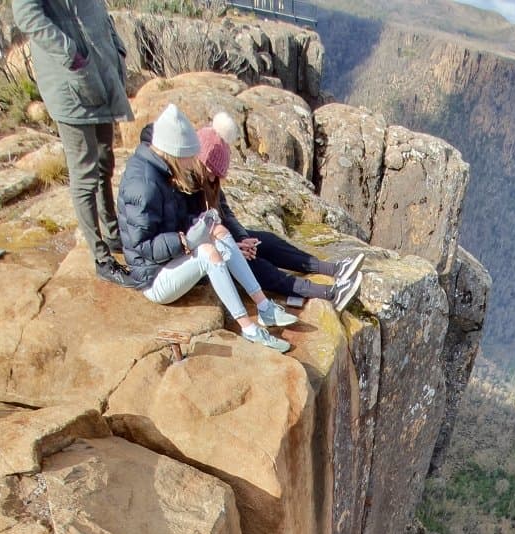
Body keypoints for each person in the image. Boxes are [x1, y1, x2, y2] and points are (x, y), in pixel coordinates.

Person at [117, 103, 296, 353]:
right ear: (174, 152)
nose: (192, 163)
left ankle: (264, 307)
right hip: (152, 278)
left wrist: (203, 226)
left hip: (170, 259)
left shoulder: (163, 170)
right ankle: (249, 328)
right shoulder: (145, 186)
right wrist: (187, 241)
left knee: (219, 232)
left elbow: (177, 217)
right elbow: (143, 247)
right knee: (209, 254)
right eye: (189, 156)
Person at [12, 0, 134, 286]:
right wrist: (70, 53)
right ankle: (101, 258)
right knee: (86, 173)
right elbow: (26, 15)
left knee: (105, 162)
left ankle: (114, 237)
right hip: (70, 80)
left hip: (100, 71)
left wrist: (116, 47)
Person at [195, 112, 364, 314]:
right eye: (211, 171)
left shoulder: (208, 185)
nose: (214, 178)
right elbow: (192, 236)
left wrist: (242, 238)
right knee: (255, 265)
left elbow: (226, 214)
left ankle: (334, 269)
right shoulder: (187, 191)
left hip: (222, 242)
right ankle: (329, 293)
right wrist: (230, 247)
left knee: (266, 241)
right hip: (204, 259)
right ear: (200, 161)